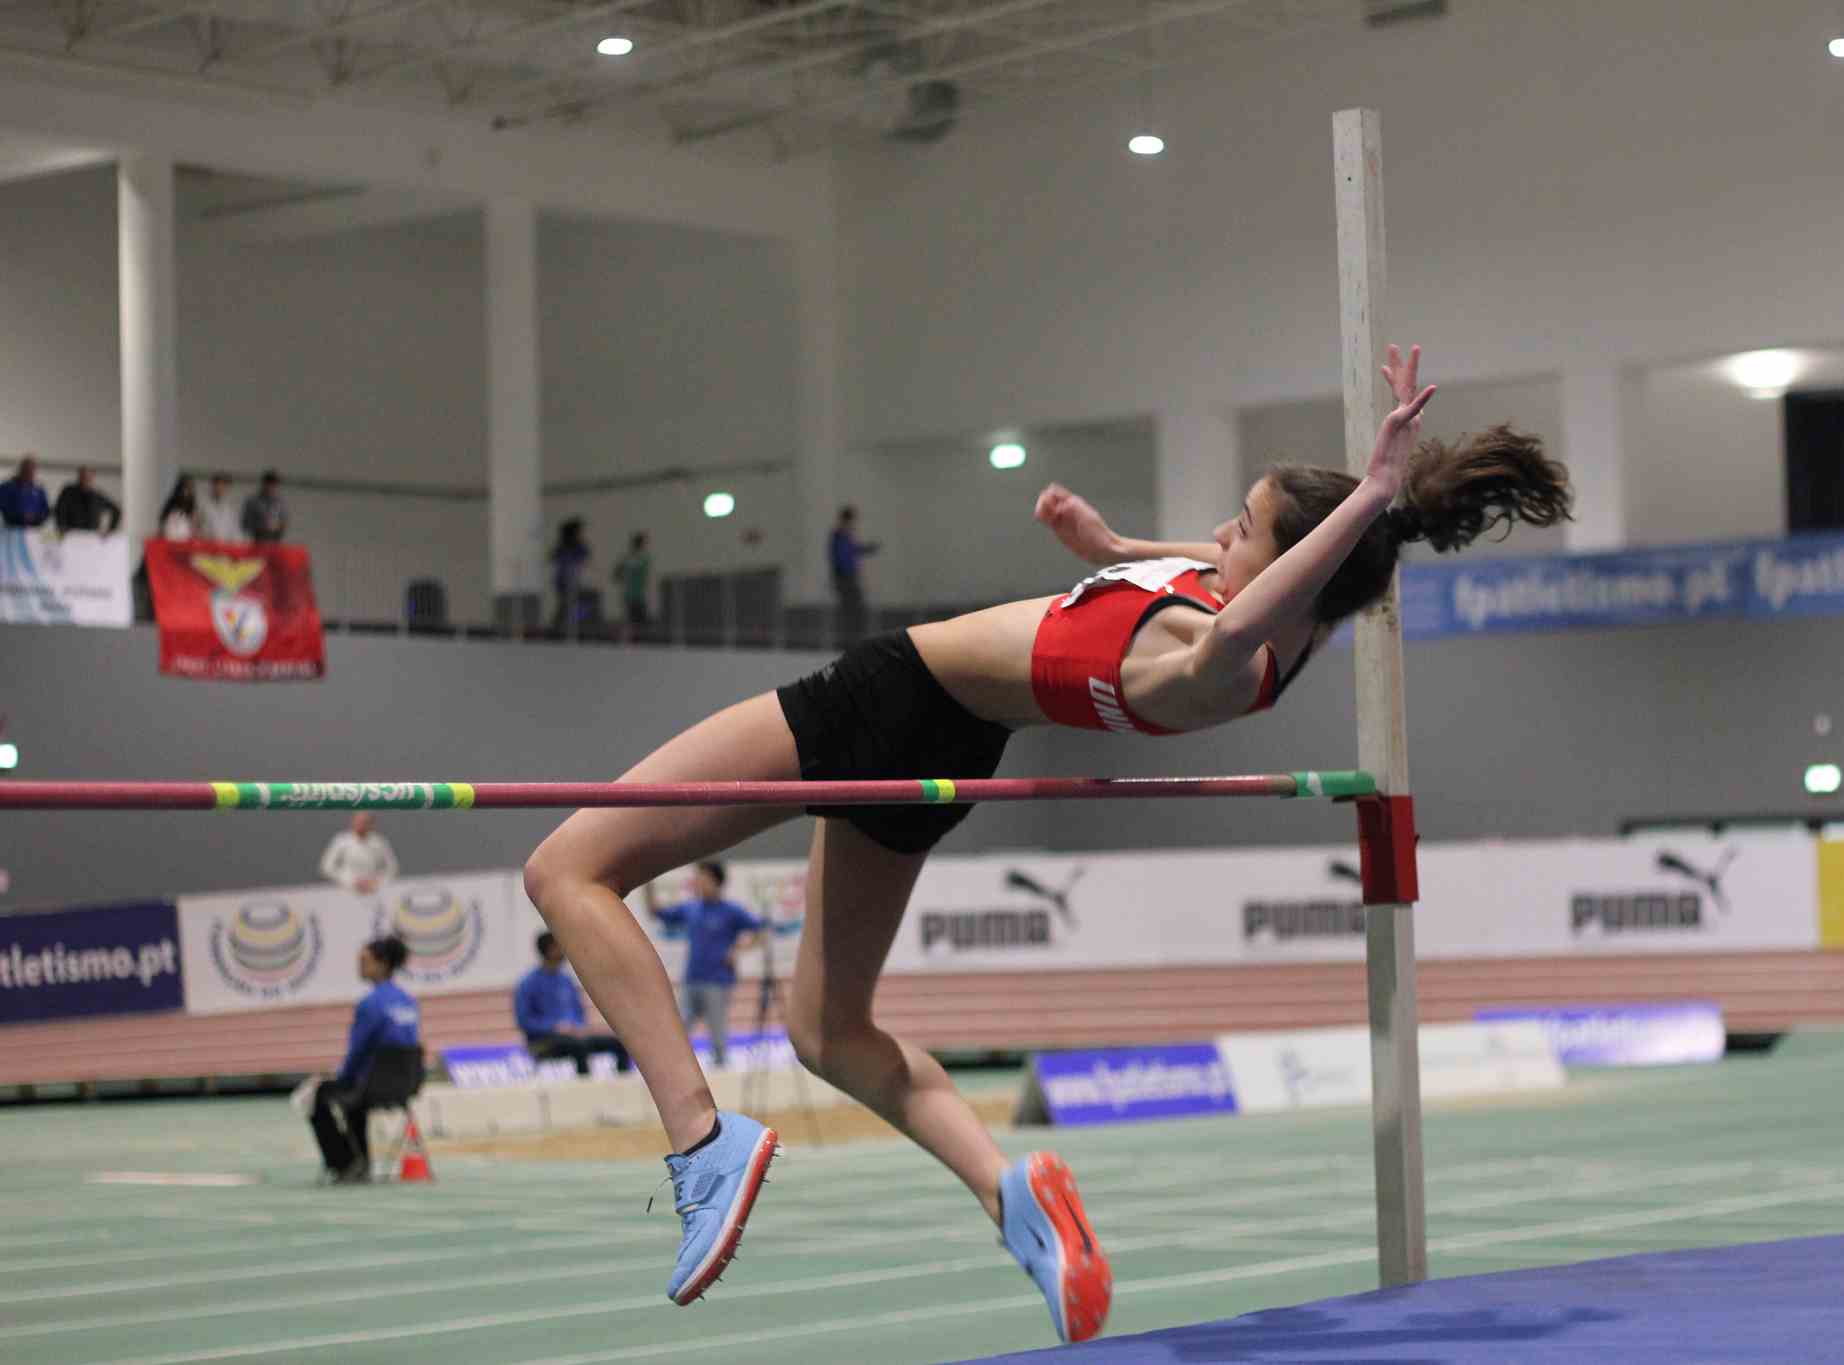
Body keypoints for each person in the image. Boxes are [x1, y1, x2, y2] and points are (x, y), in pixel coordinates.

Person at [522, 346, 1568, 1336]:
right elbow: (1242, 579)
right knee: (830, 1030)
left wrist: (1370, 495)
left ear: (1286, 567)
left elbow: (1243, 612)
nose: (1215, 533)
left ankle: (702, 1140)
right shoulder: (1271, 627)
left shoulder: (1218, 656)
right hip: (958, 738)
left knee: (567, 868)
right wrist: (1115, 551)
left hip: (888, 695)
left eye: (1240, 528)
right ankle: (1008, 1192)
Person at [309, 936, 420, 1183]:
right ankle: (361, 1161)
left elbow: (357, 1053)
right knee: (352, 1095)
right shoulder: (408, 1001)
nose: (359, 965)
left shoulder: (369, 1005)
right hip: (405, 1087)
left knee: (322, 1095)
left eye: (364, 960)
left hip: (372, 1086)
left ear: (382, 964)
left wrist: (337, 1078)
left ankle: (345, 1163)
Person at [649, 861, 762, 1068]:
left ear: (716, 881)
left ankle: (721, 1069)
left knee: (717, 1031)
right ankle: (674, 1070)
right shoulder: (691, 908)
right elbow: (656, 912)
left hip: (718, 980)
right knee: (680, 1028)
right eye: (697, 878)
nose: (698, 882)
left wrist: (738, 950)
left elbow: (761, 930)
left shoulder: (732, 911)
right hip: (692, 978)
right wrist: (648, 883)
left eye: (703, 878)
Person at [515, 931, 632, 1076]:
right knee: (579, 1046)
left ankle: (621, 1088)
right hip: (544, 1041)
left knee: (618, 1044)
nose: (564, 950)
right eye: (559, 946)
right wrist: (554, 1028)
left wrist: (577, 1026)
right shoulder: (528, 983)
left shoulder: (566, 980)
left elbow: (579, 1012)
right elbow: (524, 1021)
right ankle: (586, 1091)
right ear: (549, 950)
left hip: (574, 1036)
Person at [828, 505, 880, 644]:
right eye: (852, 520)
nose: (853, 524)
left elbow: (853, 551)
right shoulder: (839, 535)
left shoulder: (845, 536)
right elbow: (842, 557)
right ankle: (849, 640)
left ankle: (853, 639)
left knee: (854, 609)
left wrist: (867, 549)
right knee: (852, 609)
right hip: (845, 578)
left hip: (849, 577)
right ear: (847, 519)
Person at [320, 813, 399, 899]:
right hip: (345, 892)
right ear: (352, 822)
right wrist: (350, 881)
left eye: (365, 822)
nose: (361, 825)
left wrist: (378, 881)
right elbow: (326, 867)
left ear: (371, 824)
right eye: (358, 822)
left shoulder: (379, 842)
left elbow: (392, 867)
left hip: (374, 892)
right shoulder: (341, 841)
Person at [52, 467, 121, 535]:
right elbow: (59, 510)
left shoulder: (97, 496)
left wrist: (110, 531)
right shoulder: (68, 492)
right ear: (79, 477)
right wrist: (61, 526)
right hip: (72, 534)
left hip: (91, 536)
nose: (86, 480)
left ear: (92, 478)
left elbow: (116, 510)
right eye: (84, 477)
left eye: (89, 478)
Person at [550, 519, 591, 632]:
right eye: (579, 531)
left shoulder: (576, 546)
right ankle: (564, 626)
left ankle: (569, 624)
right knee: (568, 604)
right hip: (565, 580)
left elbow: (585, 557)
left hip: (571, 579)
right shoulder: (565, 547)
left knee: (574, 605)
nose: (581, 534)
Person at [613, 531, 653, 631]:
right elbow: (617, 574)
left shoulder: (633, 559)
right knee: (634, 620)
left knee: (637, 620)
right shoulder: (640, 559)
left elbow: (617, 574)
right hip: (632, 594)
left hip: (636, 594)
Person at [0, 455, 50, 528]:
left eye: (32, 470)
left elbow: (45, 509)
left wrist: (36, 518)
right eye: (27, 469)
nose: (29, 473)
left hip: (34, 529)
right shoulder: (7, 487)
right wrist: (21, 516)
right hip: (12, 528)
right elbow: (4, 506)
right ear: (21, 469)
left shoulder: (38, 489)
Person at [242, 469, 288, 543]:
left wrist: (278, 526)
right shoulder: (253, 501)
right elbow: (245, 524)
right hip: (257, 541)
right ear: (263, 483)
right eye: (268, 483)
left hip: (275, 541)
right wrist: (261, 526)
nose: (271, 486)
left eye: (274, 484)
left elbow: (284, 521)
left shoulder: (280, 502)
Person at [199, 472, 243, 543]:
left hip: (226, 547)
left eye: (223, 485)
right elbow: (200, 529)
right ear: (212, 486)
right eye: (217, 484)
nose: (219, 488)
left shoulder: (231, 508)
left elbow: (235, 531)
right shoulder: (204, 506)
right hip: (208, 545)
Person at [157, 474, 198, 541]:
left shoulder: (192, 503)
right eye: (186, 488)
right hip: (171, 537)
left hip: (186, 539)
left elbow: (193, 524)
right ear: (180, 489)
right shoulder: (172, 503)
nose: (187, 491)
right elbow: (163, 520)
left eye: (190, 488)